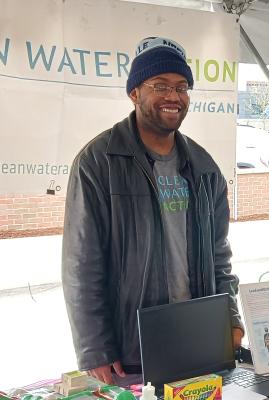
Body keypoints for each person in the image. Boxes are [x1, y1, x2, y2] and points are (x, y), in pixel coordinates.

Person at [62, 36, 244, 385]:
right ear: (134, 93)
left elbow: (220, 256)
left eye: (181, 87)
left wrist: (230, 318)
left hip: (197, 340)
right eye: (159, 85)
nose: (173, 97)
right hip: (131, 348)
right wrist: (95, 346)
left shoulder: (205, 168)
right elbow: (81, 264)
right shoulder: (99, 162)